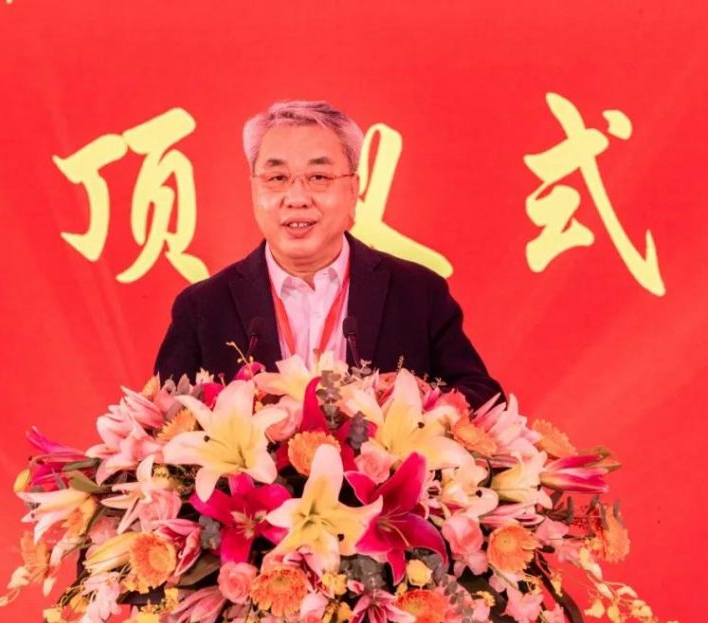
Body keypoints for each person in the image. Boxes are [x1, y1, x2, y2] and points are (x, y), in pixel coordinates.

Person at [154, 100, 503, 409]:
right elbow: (164, 419)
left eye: (319, 176)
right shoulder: (202, 308)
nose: (297, 198)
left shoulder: (418, 294)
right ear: (254, 189)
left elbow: (483, 397)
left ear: (353, 189)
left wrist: (421, 400)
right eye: (276, 177)